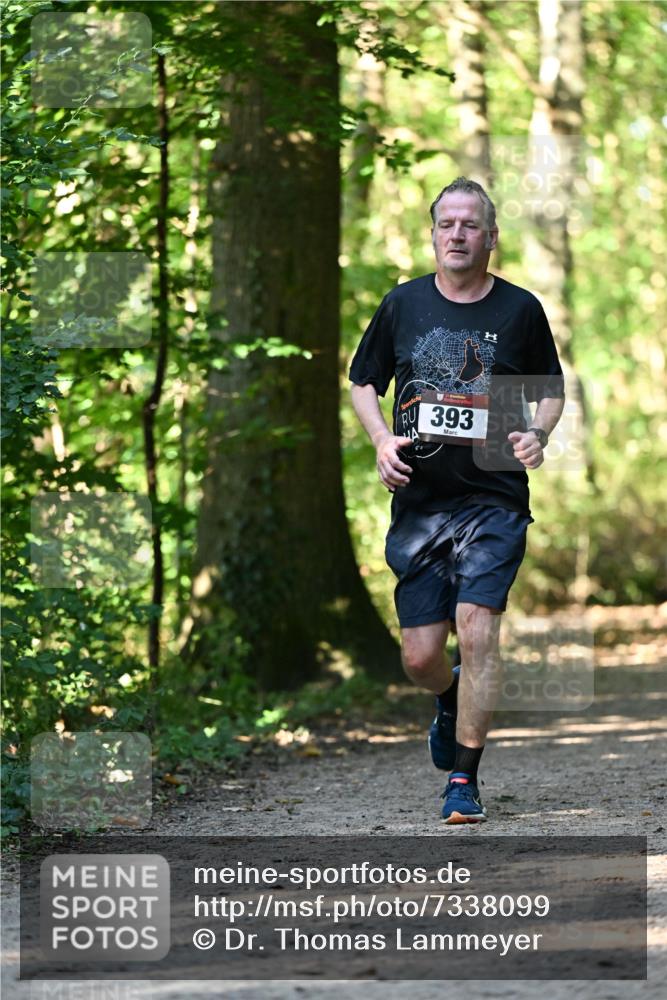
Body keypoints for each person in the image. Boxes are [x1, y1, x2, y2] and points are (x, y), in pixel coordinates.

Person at [349, 177, 565, 824]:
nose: (457, 233)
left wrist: (536, 433)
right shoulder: (403, 304)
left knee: (477, 629)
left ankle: (463, 779)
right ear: (433, 232)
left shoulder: (518, 309)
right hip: (420, 505)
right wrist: (382, 440)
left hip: (494, 495)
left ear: (490, 237)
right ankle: (446, 701)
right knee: (420, 657)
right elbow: (363, 381)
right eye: (447, 223)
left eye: (470, 224)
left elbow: (547, 389)